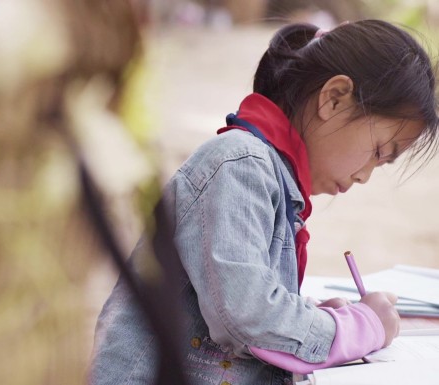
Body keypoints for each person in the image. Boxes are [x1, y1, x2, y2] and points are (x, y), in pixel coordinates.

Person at [90, 19, 439, 384]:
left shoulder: (270, 179)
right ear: (334, 98)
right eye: (378, 151)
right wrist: (362, 328)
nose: (365, 175)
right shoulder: (239, 165)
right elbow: (249, 317)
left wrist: (316, 318)